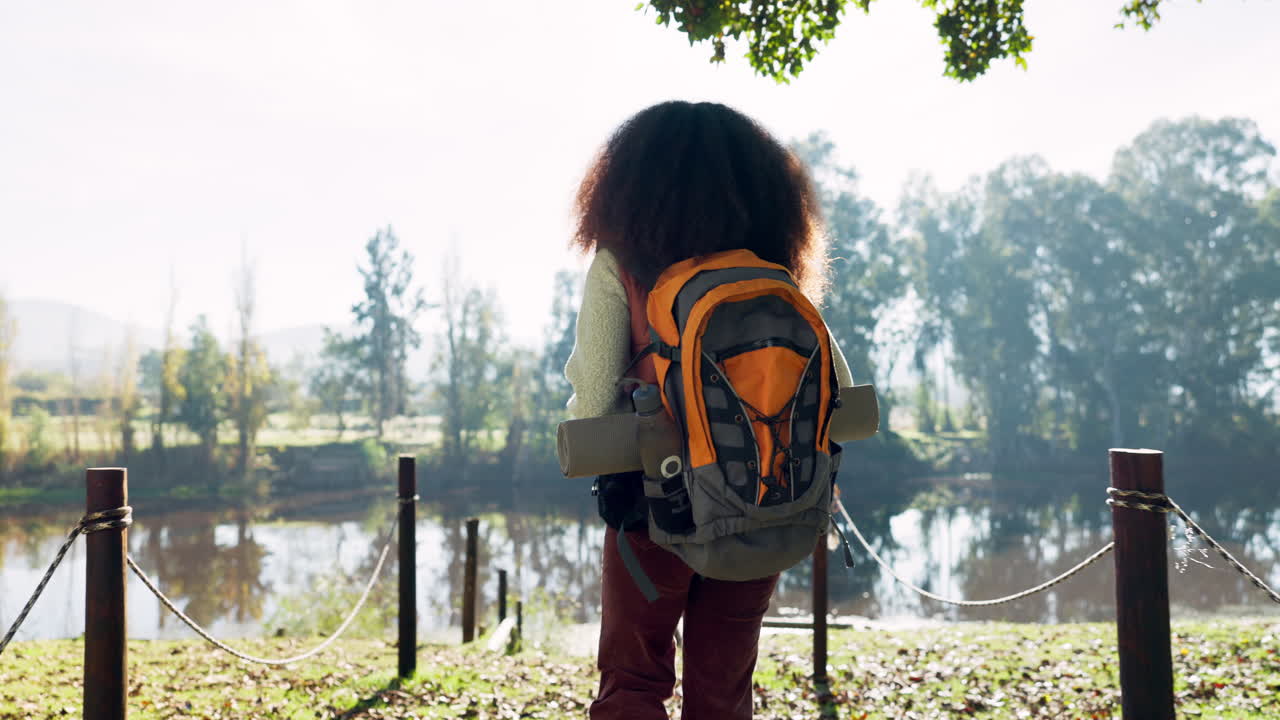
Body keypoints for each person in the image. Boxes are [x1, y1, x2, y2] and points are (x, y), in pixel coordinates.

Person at [564, 100, 855, 720]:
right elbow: (842, 389)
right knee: (723, 690)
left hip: (652, 506)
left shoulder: (622, 262)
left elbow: (591, 400)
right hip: (760, 501)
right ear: (761, 184)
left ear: (629, 180)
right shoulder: (770, 272)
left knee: (633, 683)